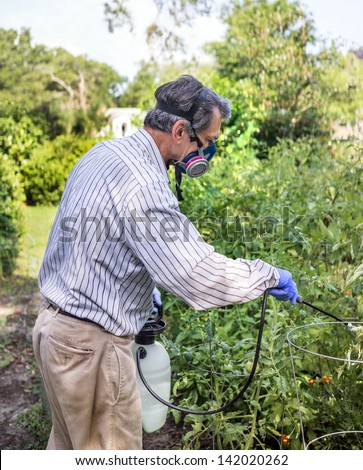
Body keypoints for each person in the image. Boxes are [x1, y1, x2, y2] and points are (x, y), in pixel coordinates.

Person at [32, 74, 300, 450]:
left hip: (54, 332)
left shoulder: (104, 153)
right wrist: (267, 275)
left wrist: (140, 286)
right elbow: (196, 275)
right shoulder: (143, 183)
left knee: (70, 447)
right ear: (178, 130)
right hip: (90, 350)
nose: (207, 154)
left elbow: (91, 237)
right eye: (206, 142)